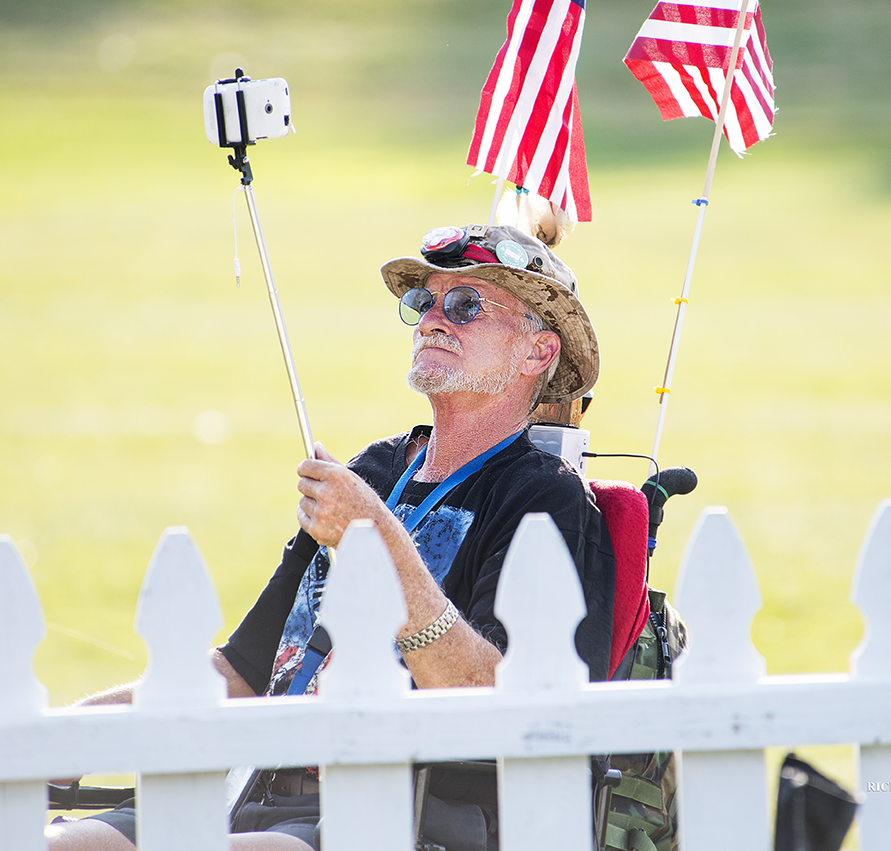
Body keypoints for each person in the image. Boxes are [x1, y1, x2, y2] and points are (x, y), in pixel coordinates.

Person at [47, 219, 617, 851]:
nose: (432, 320)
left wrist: (375, 536)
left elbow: (503, 705)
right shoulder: (372, 471)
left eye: (465, 305)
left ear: (537, 353)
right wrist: (74, 731)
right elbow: (243, 671)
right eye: (423, 302)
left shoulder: (545, 498)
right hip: (251, 788)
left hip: (408, 810)